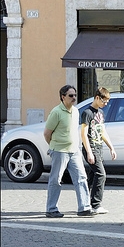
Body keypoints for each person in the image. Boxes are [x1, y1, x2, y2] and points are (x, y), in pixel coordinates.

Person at [43, 85, 94, 218]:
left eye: (75, 95)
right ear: (63, 97)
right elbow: (47, 133)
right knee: (56, 180)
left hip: (74, 150)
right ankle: (51, 209)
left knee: (81, 177)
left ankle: (84, 207)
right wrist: (54, 146)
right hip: (60, 151)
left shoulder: (76, 111)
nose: (74, 98)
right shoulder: (56, 112)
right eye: (71, 95)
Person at [80, 87, 117, 214]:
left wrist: (111, 147)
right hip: (91, 148)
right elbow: (84, 134)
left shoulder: (100, 113)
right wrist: (89, 151)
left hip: (99, 148)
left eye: (107, 102)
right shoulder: (87, 113)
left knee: (92, 177)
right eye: (104, 101)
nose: (105, 104)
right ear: (97, 97)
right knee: (101, 174)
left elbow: (102, 132)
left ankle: (86, 203)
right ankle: (96, 204)